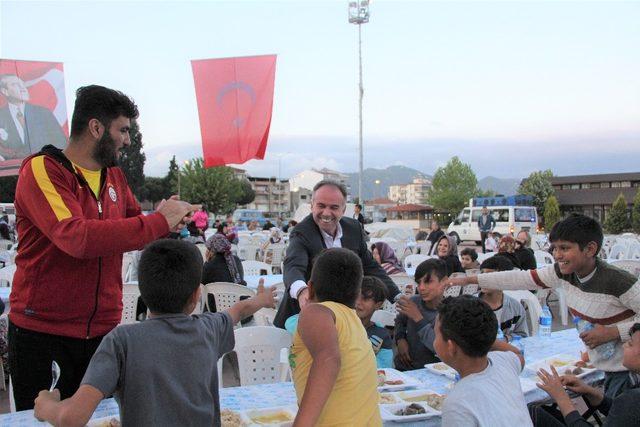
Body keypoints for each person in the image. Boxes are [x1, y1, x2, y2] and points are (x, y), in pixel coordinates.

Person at [8, 85, 197, 410]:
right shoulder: (41, 169)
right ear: (96, 127)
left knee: (102, 420)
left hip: (102, 332)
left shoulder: (114, 176)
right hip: (42, 333)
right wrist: (157, 222)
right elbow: (76, 238)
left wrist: (167, 221)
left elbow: (135, 226)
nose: (128, 139)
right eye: (123, 130)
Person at [33, 238, 276, 426]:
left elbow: (72, 418)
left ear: (142, 291)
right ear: (196, 295)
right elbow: (238, 311)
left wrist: (46, 405)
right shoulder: (208, 329)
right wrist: (262, 300)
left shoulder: (121, 341)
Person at [449, 214, 640, 399]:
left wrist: (612, 333)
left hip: (626, 372)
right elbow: (520, 278)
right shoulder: (563, 272)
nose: (557, 255)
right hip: (603, 366)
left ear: (590, 249)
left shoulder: (619, 281)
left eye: (564, 248)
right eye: (554, 248)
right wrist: (470, 279)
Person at [273, 180, 399, 328]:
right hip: (300, 320)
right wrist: (302, 291)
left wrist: (397, 296)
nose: (326, 213)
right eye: (321, 206)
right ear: (312, 206)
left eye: (334, 207)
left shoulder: (353, 228)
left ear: (343, 210)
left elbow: (371, 266)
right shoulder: (302, 231)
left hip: (343, 319)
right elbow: (293, 266)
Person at [289, 248, 382, 426]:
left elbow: (329, 359)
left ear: (310, 288)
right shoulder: (353, 320)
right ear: (357, 294)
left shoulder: (316, 312)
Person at [436, 295, 532, 427]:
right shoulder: (504, 362)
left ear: (451, 347)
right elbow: (517, 354)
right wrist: (482, 334)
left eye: (436, 335)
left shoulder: (457, 403)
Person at [533, 322, 640, 426]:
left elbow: (628, 408)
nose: (624, 345)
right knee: (539, 412)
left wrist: (562, 399)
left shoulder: (633, 398)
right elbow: (623, 415)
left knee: (533, 413)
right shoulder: (632, 399)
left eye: (630, 344)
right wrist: (591, 393)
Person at [394, 259, 447, 370]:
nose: (421, 287)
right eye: (419, 282)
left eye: (428, 281)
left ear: (444, 282)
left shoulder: (449, 311)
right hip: (405, 369)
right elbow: (400, 321)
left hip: (432, 371)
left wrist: (418, 318)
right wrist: (400, 339)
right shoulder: (414, 301)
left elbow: (439, 347)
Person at [0, 74, 67, 160]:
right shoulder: (2, 116)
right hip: (10, 170)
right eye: (15, 84)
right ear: (5, 91)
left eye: (23, 84)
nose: (23, 88)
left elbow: (61, 143)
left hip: (42, 166)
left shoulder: (43, 113)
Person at [478, 256, 529, 340]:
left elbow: (522, 335)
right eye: (482, 274)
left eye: (489, 275)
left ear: (505, 280)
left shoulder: (515, 308)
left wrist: (506, 339)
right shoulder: (470, 306)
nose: (483, 279)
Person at [356, 276, 393, 369]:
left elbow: (384, 368)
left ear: (378, 305)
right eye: (356, 296)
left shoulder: (382, 335)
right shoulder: (340, 326)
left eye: (365, 299)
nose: (358, 302)